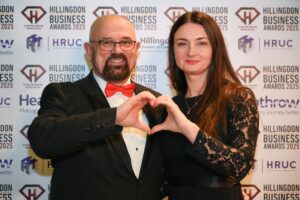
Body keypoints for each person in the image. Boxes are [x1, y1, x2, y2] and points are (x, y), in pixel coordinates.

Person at [28, 15, 165, 200]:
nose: (117, 50)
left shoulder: (156, 101)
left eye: (125, 42)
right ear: (89, 50)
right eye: (106, 43)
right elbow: (42, 140)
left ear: (136, 48)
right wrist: (114, 117)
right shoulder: (63, 93)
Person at [151, 11, 259, 200]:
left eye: (201, 43)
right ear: (173, 50)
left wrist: (187, 128)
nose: (191, 51)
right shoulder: (169, 107)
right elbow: (163, 181)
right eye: (182, 43)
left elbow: (239, 165)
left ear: (215, 49)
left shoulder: (238, 97)